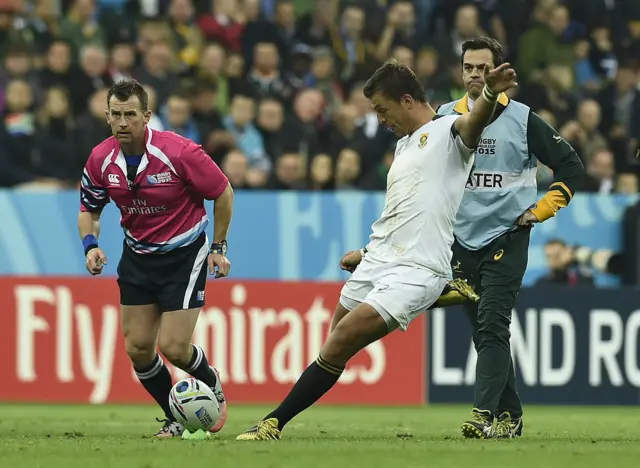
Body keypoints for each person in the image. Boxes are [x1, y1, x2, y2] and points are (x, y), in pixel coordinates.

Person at [236, 58, 518, 441]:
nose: (381, 119)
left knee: (340, 341)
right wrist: (366, 253)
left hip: (417, 267)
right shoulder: (403, 146)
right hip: (379, 259)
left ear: (406, 100)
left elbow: (474, 123)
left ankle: (273, 423)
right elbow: (401, 211)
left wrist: (489, 92)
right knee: (334, 339)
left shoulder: (449, 133)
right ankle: (442, 296)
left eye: (382, 110)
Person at [436, 37, 584, 439]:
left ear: (499, 72)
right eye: (468, 67)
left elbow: (571, 168)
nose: (474, 75)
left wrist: (538, 211)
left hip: (507, 235)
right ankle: (510, 416)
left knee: (492, 323)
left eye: (483, 68)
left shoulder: (523, 119)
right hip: (461, 240)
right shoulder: (445, 117)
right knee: (486, 331)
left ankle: (482, 413)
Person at [78, 79, 233, 438]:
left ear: (147, 116)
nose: (122, 122)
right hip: (137, 255)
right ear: (107, 116)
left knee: (174, 348)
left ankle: (212, 382)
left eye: (130, 114)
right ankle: (174, 417)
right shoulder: (101, 159)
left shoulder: (180, 152)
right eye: (115, 114)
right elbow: (89, 208)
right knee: (139, 349)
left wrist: (219, 248)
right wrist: (90, 244)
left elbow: (223, 192)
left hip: (184, 254)